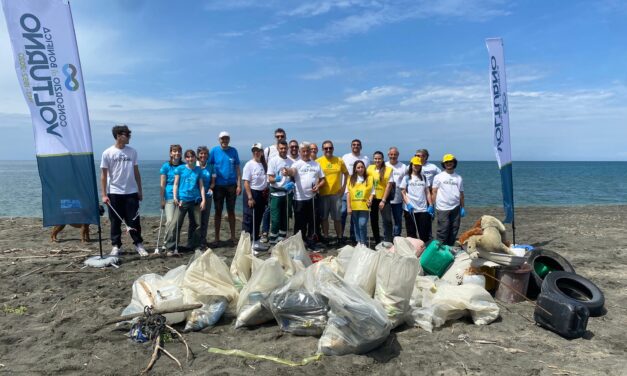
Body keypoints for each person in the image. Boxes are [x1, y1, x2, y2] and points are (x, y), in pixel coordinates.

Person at [100, 124, 147, 257]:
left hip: (131, 192)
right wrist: (104, 194)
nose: (129, 137)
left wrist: (140, 190)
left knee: (134, 220)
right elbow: (103, 175)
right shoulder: (107, 153)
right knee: (115, 221)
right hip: (114, 192)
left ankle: (138, 244)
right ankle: (116, 246)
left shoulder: (132, 152)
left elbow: (136, 172)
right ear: (119, 136)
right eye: (127, 135)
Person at [282, 142, 325, 248]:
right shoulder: (296, 164)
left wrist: (318, 186)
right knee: (300, 222)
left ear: (310, 152)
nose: (305, 153)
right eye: (303, 151)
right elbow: (292, 171)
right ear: (300, 152)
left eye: (307, 151)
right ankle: (299, 242)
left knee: (313, 221)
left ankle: (311, 240)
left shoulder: (316, 164)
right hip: (299, 199)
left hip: (313, 198)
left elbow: (323, 179)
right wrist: (287, 171)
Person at [170, 149, 206, 253]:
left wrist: (203, 200)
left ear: (195, 158)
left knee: (196, 224)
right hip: (183, 200)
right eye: (188, 157)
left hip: (195, 200)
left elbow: (201, 186)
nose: (190, 159)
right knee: (176, 223)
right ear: (185, 158)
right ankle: (172, 246)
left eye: (192, 156)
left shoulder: (198, 170)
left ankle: (193, 245)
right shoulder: (180, 169)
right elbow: (176, 184)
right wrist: (175, 197)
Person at [209, 131, 241, 246]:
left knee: (231, 211)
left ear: (229, 139)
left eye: (226, 138)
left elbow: (237, 168)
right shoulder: (214, 151)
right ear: (219, 140)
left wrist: (239, 184)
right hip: (218, 186)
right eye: (222, 139)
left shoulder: (234, 151)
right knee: (218, 212)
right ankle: (217, 238)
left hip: (232, 185)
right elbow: (209, 166)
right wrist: (210, 182)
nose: (224, 141)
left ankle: (233, 237)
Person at [316, 140, 349, 245]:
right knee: (324, 218)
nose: (328, 150)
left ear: (333, 148)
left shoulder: (339, 160)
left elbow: (346, 174)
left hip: (336, 194)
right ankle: (326, 237)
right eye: (326, 148)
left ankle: (339, 237)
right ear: (322, 150)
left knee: (337, 218)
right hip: (323, 194)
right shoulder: (318, 161)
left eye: (330, 148)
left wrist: (344, 187)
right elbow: (315, 176)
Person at [260, 128, 287, 242]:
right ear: (275, 137)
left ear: (285, 136)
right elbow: (264, 164)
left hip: (285, 186)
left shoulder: (287, 150)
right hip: (270, 183)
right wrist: (270, 180)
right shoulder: (269, 150)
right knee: (268, 209)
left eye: (282, 136)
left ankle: (280, 235)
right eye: (278, 136)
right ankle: (265, 232)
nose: (280, 138)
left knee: (283, 212)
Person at [432, 154, 465, 246]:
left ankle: (449, 247)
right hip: (442, 207)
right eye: (446, 162)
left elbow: (461, 194)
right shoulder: (438, 177)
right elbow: (434, 192)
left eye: (450, 162)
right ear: (443, 164)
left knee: (454, 228)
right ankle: (439, 248)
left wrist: (462, 207)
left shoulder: (458, 178)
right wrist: (431, 205)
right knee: (443, 229)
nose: (448, 164)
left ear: (454, 163)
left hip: (456, 207)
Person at [341, 139, 370, 244]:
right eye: (354, 144)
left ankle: (355, 238)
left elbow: (368, 175)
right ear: (351, 146)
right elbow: (342, 173)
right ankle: (341, 236)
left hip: (361, 194)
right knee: (343, 212)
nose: (356, 146)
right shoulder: (345, 157)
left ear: (361, 147)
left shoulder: (366, 159)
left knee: (358, 219)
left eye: (358, 145)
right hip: (347, 191)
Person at [401, 156, 434, 243]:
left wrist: (430, 205)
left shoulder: (424, 177)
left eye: (418, 165)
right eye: (415, 165)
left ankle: (423, 251)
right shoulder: (406, 178)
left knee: (424, 233)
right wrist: (408, 204)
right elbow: (403, 192)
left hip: (423, 209)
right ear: (411, 165)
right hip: (410, 209)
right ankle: (413, 251)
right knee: (411, 233)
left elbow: (427, 192)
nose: (416, 167)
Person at [267, 140, 294, 244]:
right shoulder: (273, 161)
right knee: (275, 220)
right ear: (278, 149)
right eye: (281, 148)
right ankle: (273, 241)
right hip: (276, 194)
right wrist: (275, 179)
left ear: (287, 149)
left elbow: (292, 177)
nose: (283, 150)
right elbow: (270, 178)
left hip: (287, 194)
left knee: (285, 219)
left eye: (285, 148)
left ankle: (281, 240)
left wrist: (292, 184)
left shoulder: (291, 162)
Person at [242, 143, 269, 247]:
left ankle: (256, 240)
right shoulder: (249, 164)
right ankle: (246, 244)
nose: (256, 153)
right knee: (249, 219)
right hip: (252, 193)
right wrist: (250, 197)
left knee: (258, 218)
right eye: (254, 151)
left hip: (261, 194)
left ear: (262, 152)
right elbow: (246, 183)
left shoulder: (264, 164)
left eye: (258, 151)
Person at [158, 144, 183, 254]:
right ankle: (165, 243)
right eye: (174, 151)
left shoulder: (184, 165)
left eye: (178, 151)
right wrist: (162, 199)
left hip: (181, 197)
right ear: (170, 153)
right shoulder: (166, 166)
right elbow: (162, 184)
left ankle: (174, 243)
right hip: (169, 196)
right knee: (169, 221)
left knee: (176, 222)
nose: (176, 153)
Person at [367, 151, 393, 244]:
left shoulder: (388, 169)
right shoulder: (369, 168)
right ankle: (377, 240)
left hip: (383, 199)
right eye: (375, 158)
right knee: (374, 221)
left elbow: (389, 186)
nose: (377, 160)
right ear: (373, 159)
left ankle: (388, 240)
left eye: (379, 158)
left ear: (382, 159)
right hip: (372, 198)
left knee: (387, 220)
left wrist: (383, 200)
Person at [347, 160, 374, 246]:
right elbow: (348, 193)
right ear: (355, 169)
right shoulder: (350, 179)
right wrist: (348, 207)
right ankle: (358, 241)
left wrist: (370, 200)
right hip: (354, 206)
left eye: (362, 167)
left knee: (362, 224)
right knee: (356, 224)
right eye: (358, 167)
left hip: (364, 206)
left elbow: (372, 192)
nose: (360, 169)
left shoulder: (369, 178)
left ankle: (363, 242)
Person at [196, 146, 214, 249]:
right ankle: (195, 241)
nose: (203, 155)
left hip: (207, 196)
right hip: (195, 196)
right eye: (201, 153)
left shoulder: (211, 167)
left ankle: (203, 241)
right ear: (198, 155)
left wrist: (211, 188)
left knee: (205, 219)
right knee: (196, 220)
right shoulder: (194, 166)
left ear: (208, 155)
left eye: (205, 153)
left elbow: (213, 182)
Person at [386, 146, 407, 237]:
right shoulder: (385, 165)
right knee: (387, 220)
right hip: (386, 198)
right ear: (388, 155)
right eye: (391, 154)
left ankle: (396, 237)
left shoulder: (403, 166)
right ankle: (388, 237)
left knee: (398, 219)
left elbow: (406, 182)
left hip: (398, 199)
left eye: (395, 154)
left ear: (398, 155)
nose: (393, 156)